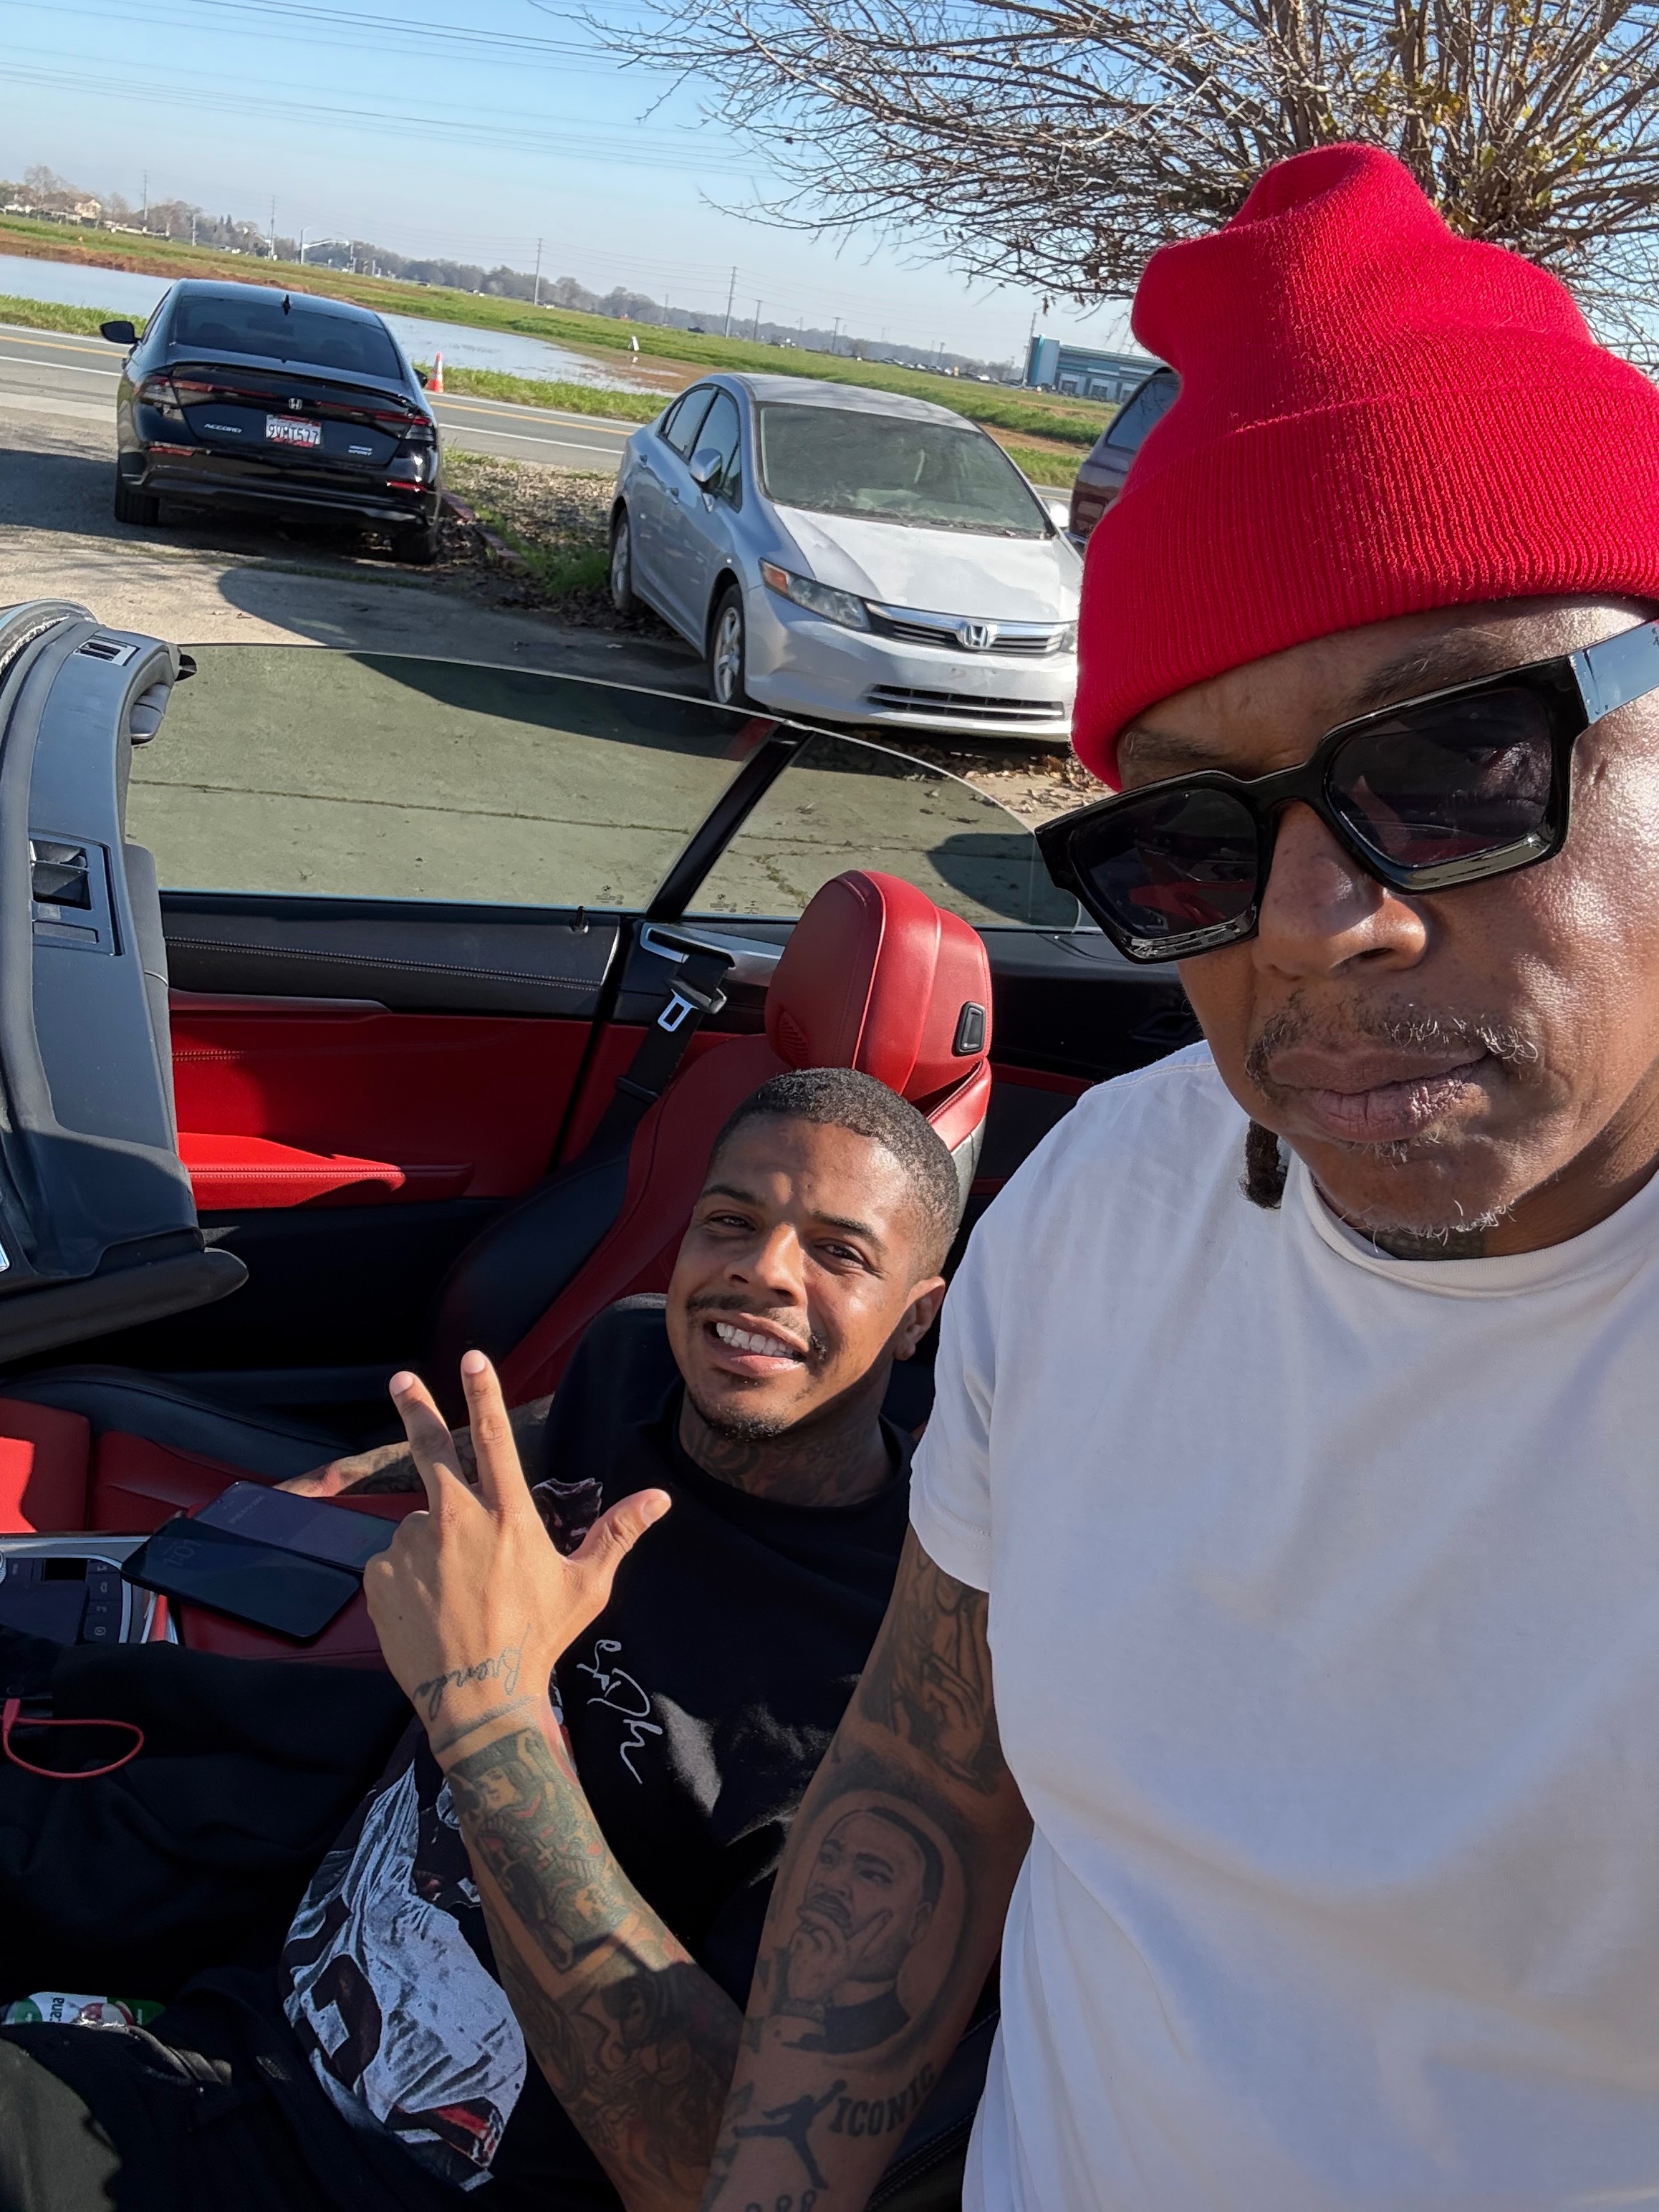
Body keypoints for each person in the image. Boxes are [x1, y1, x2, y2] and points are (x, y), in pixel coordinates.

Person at [688, 145, 1659, 2212]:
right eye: (1196, 842)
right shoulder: (1102, 1201)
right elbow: (928, 1780)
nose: (1312, 923)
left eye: (1450, 763)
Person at [0, 1067, 958, 2212]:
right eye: (730, 1221)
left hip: (373, 2169)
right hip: (267, 1970)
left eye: (839, 1252)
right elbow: (543, 1431)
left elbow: (721, 2173)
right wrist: (339, 1483)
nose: (765, 1270)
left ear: (919, 1315)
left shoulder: (894, 1690)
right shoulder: (637, 1362)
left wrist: (484, 1703)